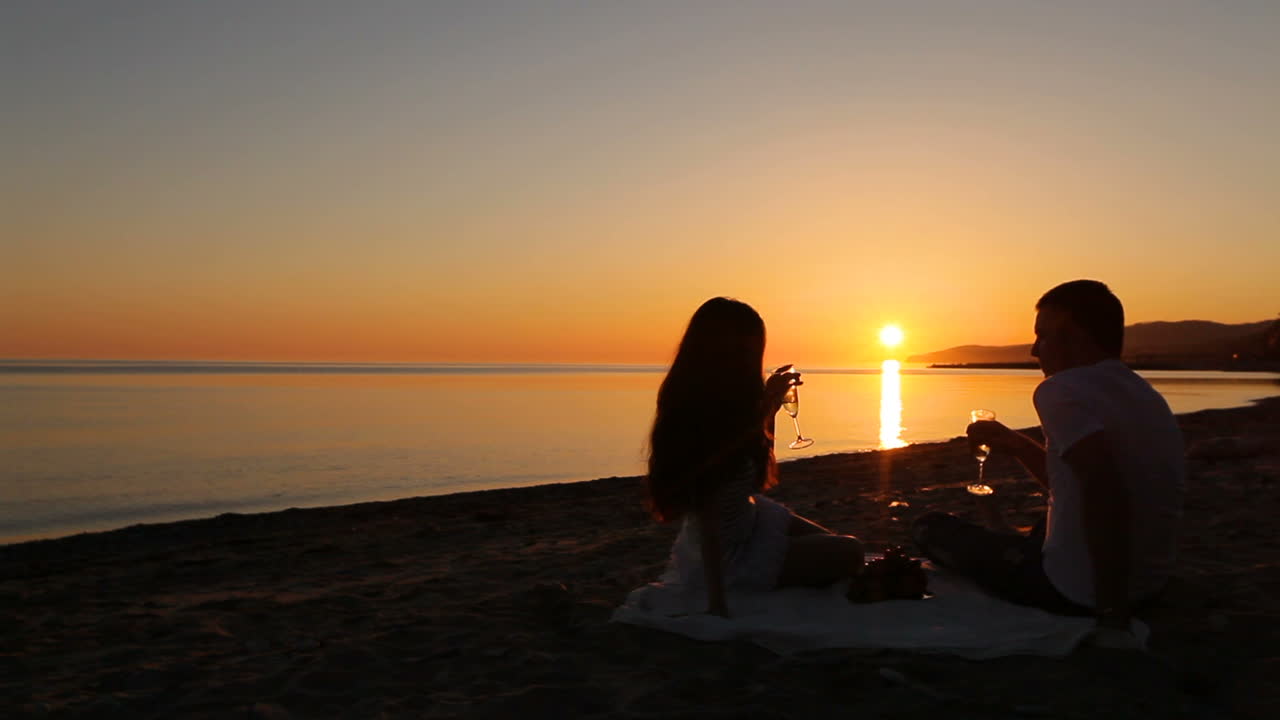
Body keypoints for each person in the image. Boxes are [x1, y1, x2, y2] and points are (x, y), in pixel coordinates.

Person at [913, 280, 1185, 641]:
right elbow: (1086, 479)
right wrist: (1019, 446)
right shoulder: (1144, 393)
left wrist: (1111, 612)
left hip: (1080, 592)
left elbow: (1105, 491)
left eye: (1042, 337)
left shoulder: (1060, 389)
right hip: (1151, 584)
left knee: (930, 528)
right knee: (1043, 523)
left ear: (1073, 336)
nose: (1033, 350)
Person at [645, 297, 865, 617]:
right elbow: (707, 509)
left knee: (836, 544)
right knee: (850, 552)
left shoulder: (734, 398)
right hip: (729, 553)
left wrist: (770, 406)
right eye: (748, 350)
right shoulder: (696, 410)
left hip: (752, 519)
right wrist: (717, 604)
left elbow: (755, 467)